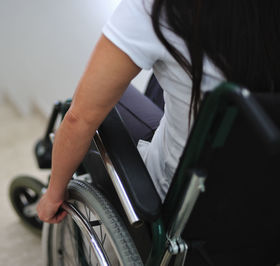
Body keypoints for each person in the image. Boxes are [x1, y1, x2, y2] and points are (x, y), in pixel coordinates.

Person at [37, 0, 280, 224]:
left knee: (90, 105)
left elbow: (81, 118)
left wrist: (53, 195)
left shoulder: (157, 9)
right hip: (265, 189)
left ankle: (56, 156)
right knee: (166, 71)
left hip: (186, 198)